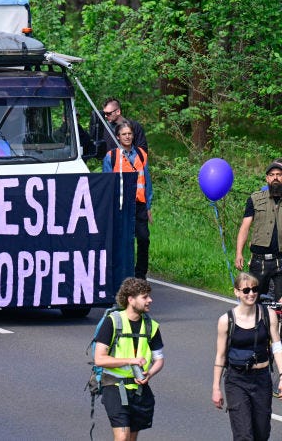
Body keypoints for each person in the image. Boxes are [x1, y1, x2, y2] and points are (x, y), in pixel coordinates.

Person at [93, 277, 165, 441]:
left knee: (131, 439)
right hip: (114, 385)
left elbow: (159, 359)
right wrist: (130, 361)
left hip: (138, 390)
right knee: (122, 436)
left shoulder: (151, 326)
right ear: (130, 299)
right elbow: (99, 359)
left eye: (149, 296)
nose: (150, 300)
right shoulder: (112, 322)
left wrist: (150, 373)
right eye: (145, 297)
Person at [211, 272, 282, 441]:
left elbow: (277, 347)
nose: (251, 293)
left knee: (262, 433)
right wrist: (216, 388)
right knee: (244, 435)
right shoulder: (226, 320)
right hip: (237, 380)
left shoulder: (268, 315)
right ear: (237, 292)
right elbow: (220, 356)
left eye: (255, 289)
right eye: (246, 290)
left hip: (261, 379)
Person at [103, 122, 153, 279]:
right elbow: (107, 184)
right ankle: (122, 274)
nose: (127, 136)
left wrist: (149, 206)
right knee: (124, 241)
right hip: (121, 205)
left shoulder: (141, 155)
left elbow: (147, 182)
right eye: (124, 134)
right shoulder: (111, 157)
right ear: (118, 136)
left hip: (139, 204)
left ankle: (140, 275)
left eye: (129, 133)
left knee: (144, 239)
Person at [236, 160, 282, 300]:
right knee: (253, 300)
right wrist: (239, 253)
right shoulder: (255, 199)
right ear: (267, 178)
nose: (275, 177)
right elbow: (245, 227)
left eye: (279, 175)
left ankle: (277, 321)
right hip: (259, 261)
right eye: (272, 174)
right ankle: (257, 321)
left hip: (281, 260)